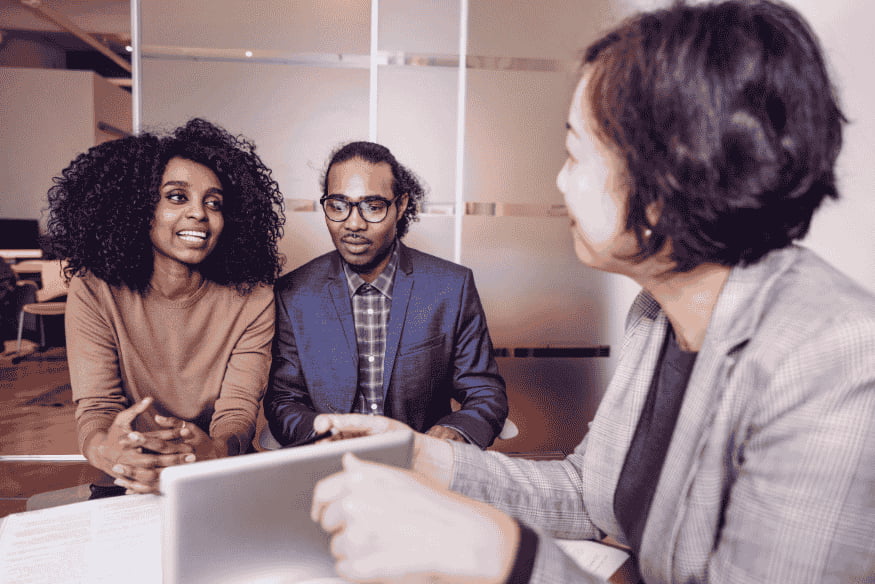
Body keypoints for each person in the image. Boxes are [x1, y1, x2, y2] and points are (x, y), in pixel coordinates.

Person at [308, 1, 875, 583]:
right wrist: (418, 455)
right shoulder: (655, 313)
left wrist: (503, 555)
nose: (560, 180)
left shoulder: (833, 359)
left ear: (665, 183)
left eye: (577, 154)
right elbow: (588, 494)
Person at [47, 118, 285, 497]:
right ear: (139, 207)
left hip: (216, 468)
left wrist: (215, 452)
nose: (199, 213)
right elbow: (98, 407)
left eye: (214, 203)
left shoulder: (253, 298)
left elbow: (238, 410)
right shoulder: (94, 289)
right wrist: (109, 451)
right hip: (130, 472)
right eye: (177, 197)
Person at [264, 141, 507, 449]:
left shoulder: (451, 288)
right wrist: (322, 433)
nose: (353, 223)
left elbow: (485, 394)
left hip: (421, 464)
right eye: (338, 206)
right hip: (330, 465)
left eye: (373, 207)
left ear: (400, 205)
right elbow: (283, 400)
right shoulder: (294, 294)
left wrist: (453, 431)